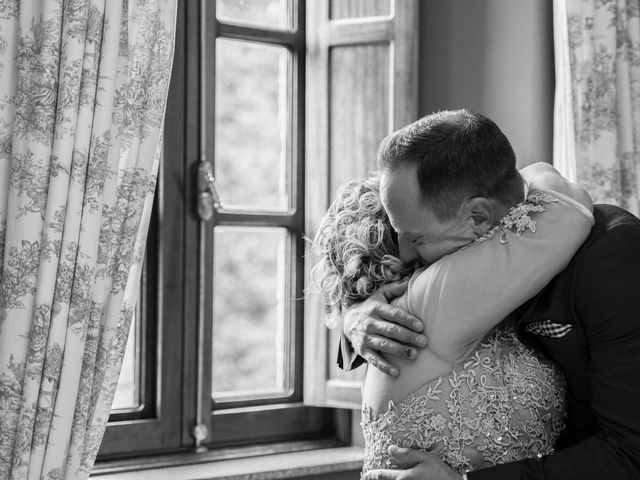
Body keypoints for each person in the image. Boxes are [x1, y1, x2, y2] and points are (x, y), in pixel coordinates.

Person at [337, 109, 640, 479]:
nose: (404, 254)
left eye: (417, 237)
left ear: (479, 216)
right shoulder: (455, 271)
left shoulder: (611, 258)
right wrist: (353, 319)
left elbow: (630, 452)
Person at [313, 162, 594, 474]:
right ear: (402, 249)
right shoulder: (430, 300)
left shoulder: (423, 307)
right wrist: (507, 182)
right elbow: (566, 210)